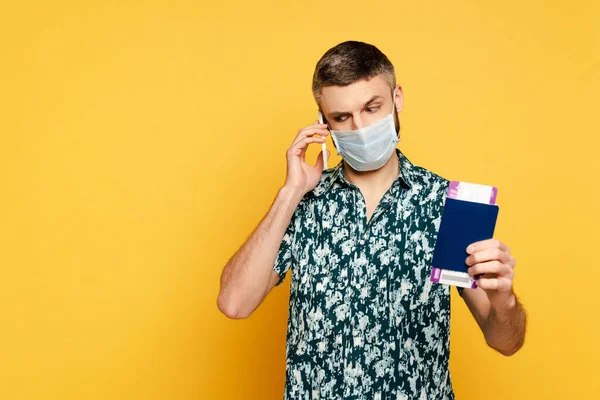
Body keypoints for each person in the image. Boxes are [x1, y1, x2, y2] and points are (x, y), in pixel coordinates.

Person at [217, 41, 527, 399]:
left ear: (397, 98)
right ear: (323, 122)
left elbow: (506, 342)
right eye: (341, 117)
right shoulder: (303, 204)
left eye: (372, 107)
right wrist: (291, 192)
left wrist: (504, 301)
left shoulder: (447, 205)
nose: (360, 128)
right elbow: (234, 303)